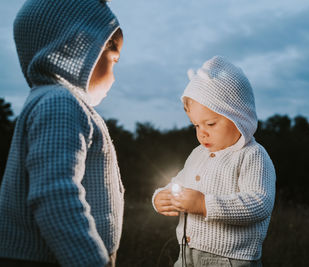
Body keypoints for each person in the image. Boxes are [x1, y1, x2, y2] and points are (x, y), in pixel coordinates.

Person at [0, 0, 124, 266]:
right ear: (78, 47)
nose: (114, 76)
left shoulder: (60, 102)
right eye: (112, 59)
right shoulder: (60, 103)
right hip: (52, 259)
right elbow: (56, 196)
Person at [153, 56, 276, 266]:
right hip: (187, 253)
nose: (202, 134)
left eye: (210, 124)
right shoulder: (198, 154)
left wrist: (203, 204)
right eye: (196, 126)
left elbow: (259, 203)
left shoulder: (252, 155)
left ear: (239, 117)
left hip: (230, 258)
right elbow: (178, 182)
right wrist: (161, 196)